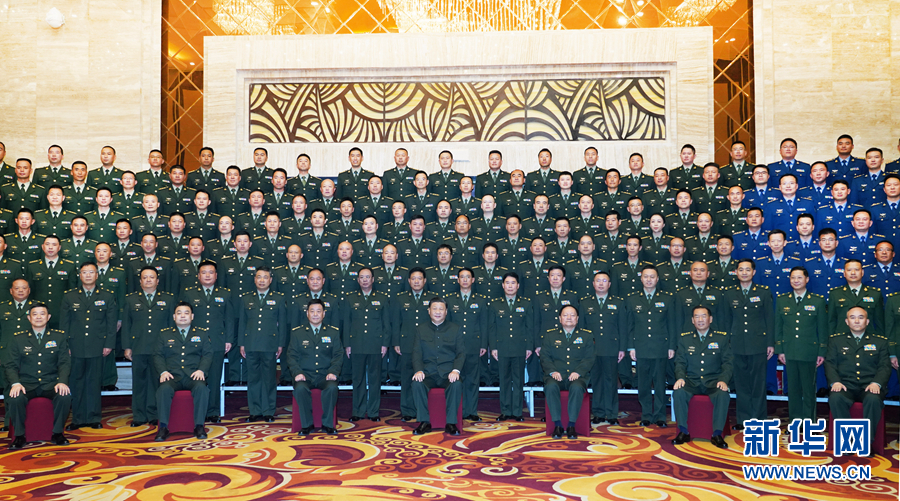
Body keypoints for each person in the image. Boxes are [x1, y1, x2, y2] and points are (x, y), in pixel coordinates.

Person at [3, 302, 72, 449]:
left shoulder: (58, 337)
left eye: (42, 314)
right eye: (34, 314)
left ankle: (57, 433)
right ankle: (19, 436)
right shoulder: (18, 339)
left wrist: (62, 381)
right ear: (29, 318)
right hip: (26, 384)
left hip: (50, 383)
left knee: (64, 396)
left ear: (48, 317)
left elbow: (64, 362)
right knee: (15, 397)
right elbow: (10, 365)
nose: (38, 317)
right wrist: (15, 383)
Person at [59, 262, 117, 430]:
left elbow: (111, 324)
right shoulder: (69, 296)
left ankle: (93, 417)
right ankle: (77, 418)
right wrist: (65, 345)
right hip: (75, 345)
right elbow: (64, 324)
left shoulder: (107, 296)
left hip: (97, 345)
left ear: (97, 275)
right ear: (80, 275)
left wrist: (109, 344)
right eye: (85, 272)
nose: (88, 275)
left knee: (93, 382)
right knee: (76, 383)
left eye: (91, 272)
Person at [826, 307, 891, 454]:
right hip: (845, 385)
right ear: (846, 321)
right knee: (835, 398)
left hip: (869, 385)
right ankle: (849, 441)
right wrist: (835, 381)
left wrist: (876, 383)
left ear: (867, 321)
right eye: (852, 317)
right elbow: (830, 363)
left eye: (861, 317)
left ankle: (866, 442)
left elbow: (884, 366)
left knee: (873, 400)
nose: (856, 321)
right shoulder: (836, 341)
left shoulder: (880, 342)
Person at [179, 260, 236, 423]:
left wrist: (229, 340)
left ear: (216, 275)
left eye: (211, 272)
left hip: (218, 341)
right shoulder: (189, 293)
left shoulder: (225, 293)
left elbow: (229, 319)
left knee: (215, 378)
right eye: (204, 272)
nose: (207, 275)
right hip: (195, 343)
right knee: (197, 378)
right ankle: (198, 411)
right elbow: (183, 320)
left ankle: (213, 411)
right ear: (198, 276)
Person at [720, 259, 774, 429]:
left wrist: (770, 343)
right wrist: (726, 343)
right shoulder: (729, 293)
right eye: (741, 270)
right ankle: (743, 419)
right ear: (736, 272)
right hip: (736, 343)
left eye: (747, 270)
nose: (744, 273)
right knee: (741, 383)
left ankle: (759, 418)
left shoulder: (763, 292)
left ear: (754, 272)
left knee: (758, 383)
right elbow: (726, 321)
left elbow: (769, 319)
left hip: (758, 343)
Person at [671, 305, 732, 449]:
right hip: (692, 381)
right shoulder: (685, 339)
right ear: (692, 320)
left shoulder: (721, 338)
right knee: (679, 392)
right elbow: (680, 362)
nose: (700, 320)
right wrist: (680, 378)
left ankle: (717, 434)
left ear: (710, 319)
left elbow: (728, 362)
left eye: (703, 316)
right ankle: (683, 431)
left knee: (723, 394)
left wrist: (723, 380)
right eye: (696, 316)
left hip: (713, 381)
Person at [122, 266, 175, 426]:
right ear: (140, 281)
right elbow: (126, 325)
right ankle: (139, 415)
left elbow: (171, 325)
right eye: (145, 277)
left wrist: (171, 346)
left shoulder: (168, 299)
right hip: (138, 346)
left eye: (152, 277)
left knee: (156, 382)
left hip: (160, 349)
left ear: (157, 281)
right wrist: (127, 346)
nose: (148, 280)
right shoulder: (131, 299)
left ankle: (154, 414)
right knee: (139, 383)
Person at [153, 301, 212, 441]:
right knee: (163, 390)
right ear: (174, 317)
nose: (183, 316)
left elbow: (208, 354)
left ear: (192, 316)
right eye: (179, 313)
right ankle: (163, 427)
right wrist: (163, 372)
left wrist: (201, 370)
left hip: (193, 376)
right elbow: (157, 355)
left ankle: (199, 426)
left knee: (202, 389)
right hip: (172, 376)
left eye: (186, 313)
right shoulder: (164, 334)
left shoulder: (202, 334)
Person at [774, 267, 827, 422]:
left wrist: (821, 351)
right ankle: (795, 421)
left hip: (809, 351)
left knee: (809, 389)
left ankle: (809, 421)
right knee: (793, 389)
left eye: (799, 277)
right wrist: (780, 350)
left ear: (807, 279)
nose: (796, 281)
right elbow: (778, 327)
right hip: (789, 351)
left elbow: (823, 329)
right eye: (793, 278)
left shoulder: (817, 300)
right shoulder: (782, 300)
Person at [626, 265, 675, 427]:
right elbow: (630, 325)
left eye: (652, 277)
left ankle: (660, 416)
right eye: (646, 277)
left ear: (657, 279)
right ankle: (646, 414)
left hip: (661, 347)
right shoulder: (632, 299)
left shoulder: (667, 298)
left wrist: (671, 346)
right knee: (643, 384)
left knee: (660, 383)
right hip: (641, 347)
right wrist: (631, 347)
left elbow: (672, 324)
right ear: (641, 279)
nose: (649, 280)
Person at [239, 267, 287, 423]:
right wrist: (241, 343)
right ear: (254, 279)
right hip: (251, 343)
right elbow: (242, 323)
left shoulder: (278, 298)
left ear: (270, 280)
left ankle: (268, 411)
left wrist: (280, 344)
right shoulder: (246, 298)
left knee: (269, 379)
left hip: (270, 344)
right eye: (259, 277)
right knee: (253, 378)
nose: (262, 280)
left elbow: (282, 324)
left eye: (265, 277)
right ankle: (254, 411)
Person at [411, 297, 465, 435]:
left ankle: (451, 423)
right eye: (434, 308)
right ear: (428, 311)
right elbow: (417, 353)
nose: (438, 312)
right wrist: (418, 370)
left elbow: (461, 353)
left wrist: (455, 370)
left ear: (446, 312)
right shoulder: (420, 329)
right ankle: (424, 422)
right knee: (416, 383)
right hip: (428, 373)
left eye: (441, 309)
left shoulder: (455, 329)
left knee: (456, 384)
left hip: (448, 374)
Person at [343, 267, 391, 421]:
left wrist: (385, 343)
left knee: (375, 379)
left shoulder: (382, 298)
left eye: (368, 277)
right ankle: (357, 411)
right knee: (357, 379)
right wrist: (347, 344)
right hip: (356, 343)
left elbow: (386, 323)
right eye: (362, 277)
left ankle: (373, 412)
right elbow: (347, 323)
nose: (365, 280)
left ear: (373, 279)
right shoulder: (350, 298)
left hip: (376, 344)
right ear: (358, 280)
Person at [289, 299, 342, 435]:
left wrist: (333, 371)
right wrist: (297, 373)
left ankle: (328, 424)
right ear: (307, 313)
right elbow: (291, 356)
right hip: (305, 375)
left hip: (325, 374)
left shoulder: (333, 332)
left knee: (332, 388)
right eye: (312, 311)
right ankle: (307, 425)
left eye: (319, 311)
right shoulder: (297, 333)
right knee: (300, 389)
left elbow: (338, 355)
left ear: (324, 314)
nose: (315, 314)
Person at [542, 305, 593, 439]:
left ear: (577, 318)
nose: (569, 318)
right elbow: (545, 357)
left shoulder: (586, 335)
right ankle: (557, 425)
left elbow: (589, 358)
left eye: (572, 315)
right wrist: (552, 371)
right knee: (550, 386)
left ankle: (571, 425)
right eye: (565, 315)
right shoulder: (550, 335)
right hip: (556, 376)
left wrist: (578, 372)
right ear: (560, 318)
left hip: (577, 376)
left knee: (576, 387)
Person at [582, 271, 626, 425]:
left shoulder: (618, 302)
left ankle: (612, 413)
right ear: (593, 284)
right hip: (592, 349)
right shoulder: (585, 302)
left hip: (611, 348)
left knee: (611, 381)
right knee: (596, 382)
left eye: (604, 281)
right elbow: (582, 328)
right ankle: (599, 413)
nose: (601, 284)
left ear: (610, 284)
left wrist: (622, 348)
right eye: (598, 281)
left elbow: (622, 327)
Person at [488, 272, 533, 422]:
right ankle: (506, 411)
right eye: (507, 283)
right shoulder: (495, 304)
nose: (510, 286)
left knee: (518, 380)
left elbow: (529, 327)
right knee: (504, 380)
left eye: (513, 283)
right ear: (503, 285)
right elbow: (492, 328)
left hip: (520, 347)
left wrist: (529, 347)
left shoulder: (526, 303)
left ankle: (518, 412)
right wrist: (493, 347)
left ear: (518, 286)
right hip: (502, 347)